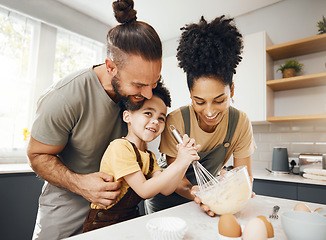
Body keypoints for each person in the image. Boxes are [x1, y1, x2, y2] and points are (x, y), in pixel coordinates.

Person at [27, 0, 163, 239]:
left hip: (120, 215)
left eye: (153, 83)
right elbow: (37, 155)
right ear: (111, 67)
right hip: (66, 214)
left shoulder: (141, 95)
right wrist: (80, 184)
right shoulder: (65, 97)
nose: (148, 95)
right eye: (140, 85)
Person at [145, 15, 256, 216]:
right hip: (166, 204)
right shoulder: (177, 121)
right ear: (190, 95)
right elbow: (177, 181)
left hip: (208, 201)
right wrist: (199, 193)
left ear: (231, 90)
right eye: (199, 101)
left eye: (219, 100)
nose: (210, 111)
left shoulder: (240, 123)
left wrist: (232, 187)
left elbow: (244, 176)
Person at [83, 82, 199, 232]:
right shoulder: (120, 147)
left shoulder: (149, 157)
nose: (156, 121)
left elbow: (166, 189)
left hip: (129, 220)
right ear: (127, 116)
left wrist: (184, 162)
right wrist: (179, 162)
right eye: (148, 113)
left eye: (161, 118)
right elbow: (144, 190)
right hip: (102, 224)